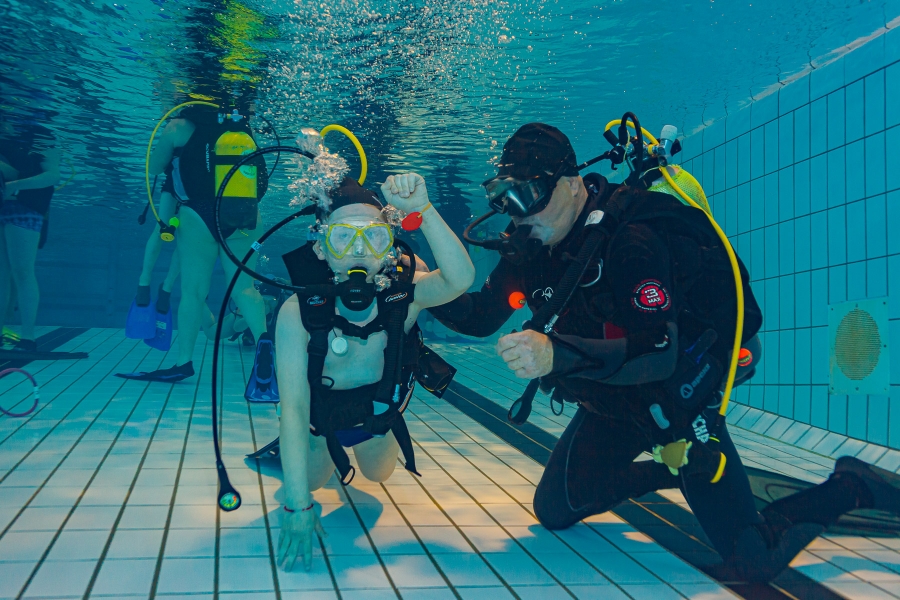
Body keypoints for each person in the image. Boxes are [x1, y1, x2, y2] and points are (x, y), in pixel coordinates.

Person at [428, 122, 900, 582]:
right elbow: (479, 317)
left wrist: (557, 355)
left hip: (676, 397)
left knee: (752, 559)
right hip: (614, 398)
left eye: (532, 195)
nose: (520, 215)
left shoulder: (631, 238)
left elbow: (660, 351)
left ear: (572, 184)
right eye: (507, 198)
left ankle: (852, 486)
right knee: (556, 507)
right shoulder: (536, 245)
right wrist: (413, 283)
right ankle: (672, 471)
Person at [273, 174, 475, 571]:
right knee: (310, 484)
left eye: (374, 238)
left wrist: (424, 209)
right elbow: (294, 408)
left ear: (390, 247)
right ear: (321, 248)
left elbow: (459, 280)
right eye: (342, 238)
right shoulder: (298, 313)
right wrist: (297, 506)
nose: (358, 251)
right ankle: (307, 455)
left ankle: (337, 454)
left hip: (376, 419)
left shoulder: (404, 298)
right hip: (317, 424)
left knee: (378, 475)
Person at [116, 102, 276, 402]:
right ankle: (263, 346)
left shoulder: (177, 126)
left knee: (193, 292)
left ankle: (183, 362)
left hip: (197, 215)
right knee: (245, 289)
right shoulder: (240, 126)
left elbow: (153, 168)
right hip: (244, 212)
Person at [0, 116, 60, 352]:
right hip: (5, 208)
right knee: (3, 275)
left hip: (25, 209)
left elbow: (52, 175)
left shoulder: (39, 134)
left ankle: (28, 338)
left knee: (22, 272)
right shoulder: (5, 137)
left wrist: (14, 186)